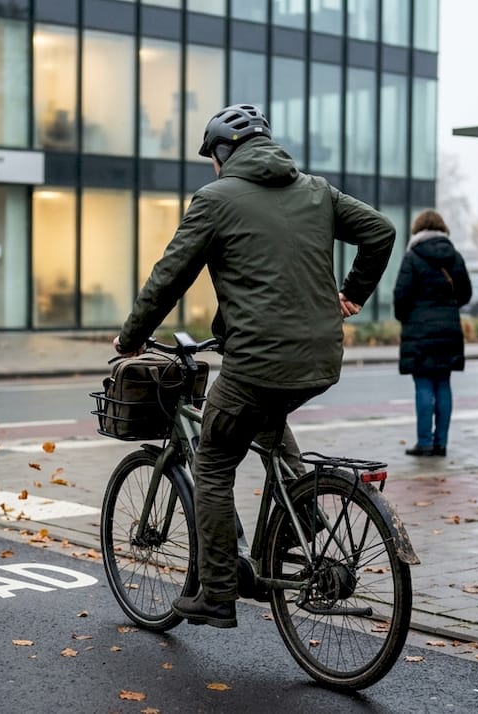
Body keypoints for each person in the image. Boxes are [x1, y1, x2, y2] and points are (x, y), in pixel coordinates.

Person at [113, 104, 395, 628]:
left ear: (222, 153)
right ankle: (303, 516)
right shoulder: (316, 190)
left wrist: (130, 338)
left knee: (213, 464)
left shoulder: (216, 200)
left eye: (212, 159)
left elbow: (169, 276)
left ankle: (217, 593)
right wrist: (352, 294)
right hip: (320, 357)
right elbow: (380, 230)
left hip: (258, 360)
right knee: (269, 422)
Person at [393, 209, 472, 458]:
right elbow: (466, 293)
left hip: (419, 330)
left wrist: (408, 317)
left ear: (418, 229)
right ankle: (441, 444)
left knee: (424, 384)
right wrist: (448, 308)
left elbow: (401, 296)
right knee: (443, 384)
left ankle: (425, 443)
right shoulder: (454, 256)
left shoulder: (413, 256)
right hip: (448, 329)